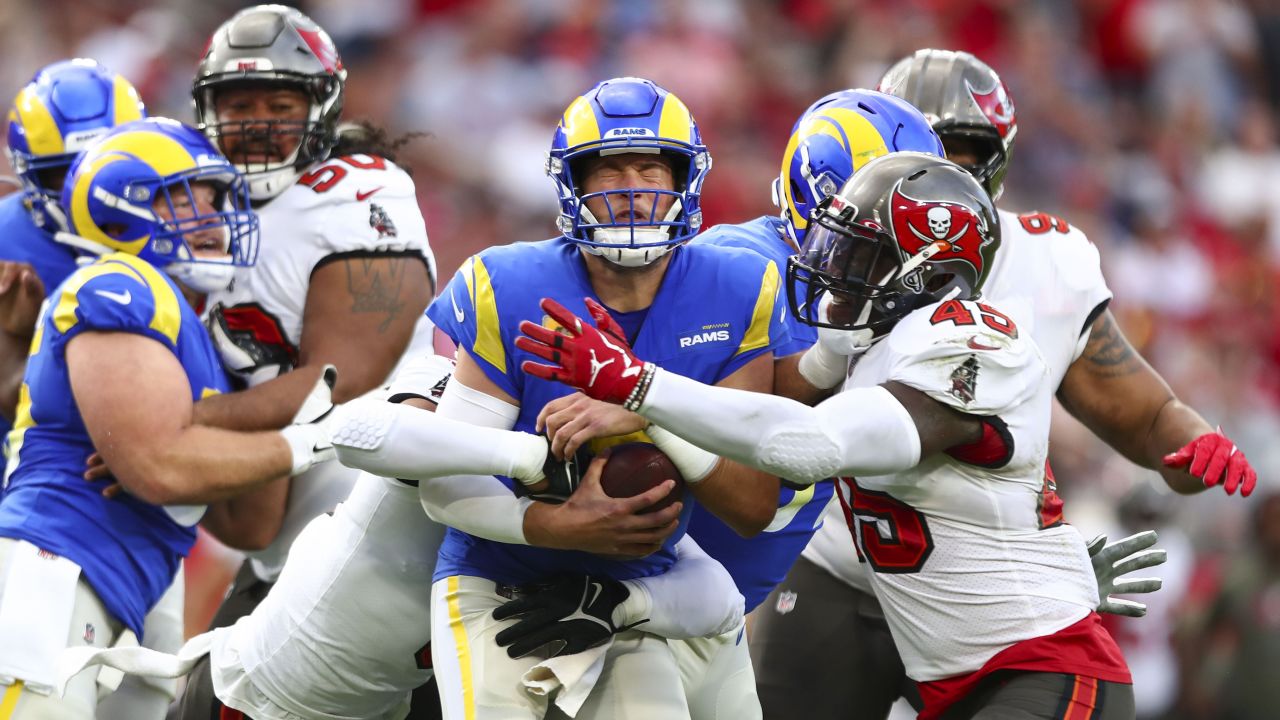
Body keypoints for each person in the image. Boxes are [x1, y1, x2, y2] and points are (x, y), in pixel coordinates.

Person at [519, 151, 1145, 719]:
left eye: (859, 254)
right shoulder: (870, 348)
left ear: (923, 270)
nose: (830, 268)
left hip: (1043, 668)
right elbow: (762, 413)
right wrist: (646, 407)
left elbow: (808, 444)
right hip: (960, 686)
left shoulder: (972, 340)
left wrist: (638, 385)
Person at [748, 49, 1255, 720]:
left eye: (964, 147)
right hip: (844, 570)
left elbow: (1145, 412)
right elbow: (772, 420)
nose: (947, 167)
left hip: (975, 603)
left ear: (1001, 158)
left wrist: (1193, 446)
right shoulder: (833, 246)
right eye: (928, 144)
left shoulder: (1050, 264)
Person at [415, 75, 788, 720]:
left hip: (640, 582)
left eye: (650, 170)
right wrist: (556, 523)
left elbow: (751, 503)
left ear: (683, 183)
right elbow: (445, 482)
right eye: (609, 171)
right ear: (574, 185)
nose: (632, 192)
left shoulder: (736, 286)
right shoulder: (509, 282)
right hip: (499, 581)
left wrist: (643, 403)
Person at [0, 116, 333, 719]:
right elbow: (158, 467)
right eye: (192, 195)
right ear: (123, 203)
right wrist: (310, 441)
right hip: (52, 570)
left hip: (129, 593)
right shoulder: (118, 282)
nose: (214, 215)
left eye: (216, 199)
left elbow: (251, 524)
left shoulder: (194, 329)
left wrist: (252, 396)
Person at [172, 6, 437, 717]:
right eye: (240, 103)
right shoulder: (204, 218)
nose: (258, 120)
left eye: (280, 103)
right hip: (283, 555)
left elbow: (340, 382)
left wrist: (179, 423)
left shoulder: (358, 194)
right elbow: (251, 522)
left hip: (389, 553)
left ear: (318, 107)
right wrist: (175, 463)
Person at [0, 59, 146, 437]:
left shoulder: (177, 218)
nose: (86, 188)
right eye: (64, 173)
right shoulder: (6, 239)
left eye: (103, 165)